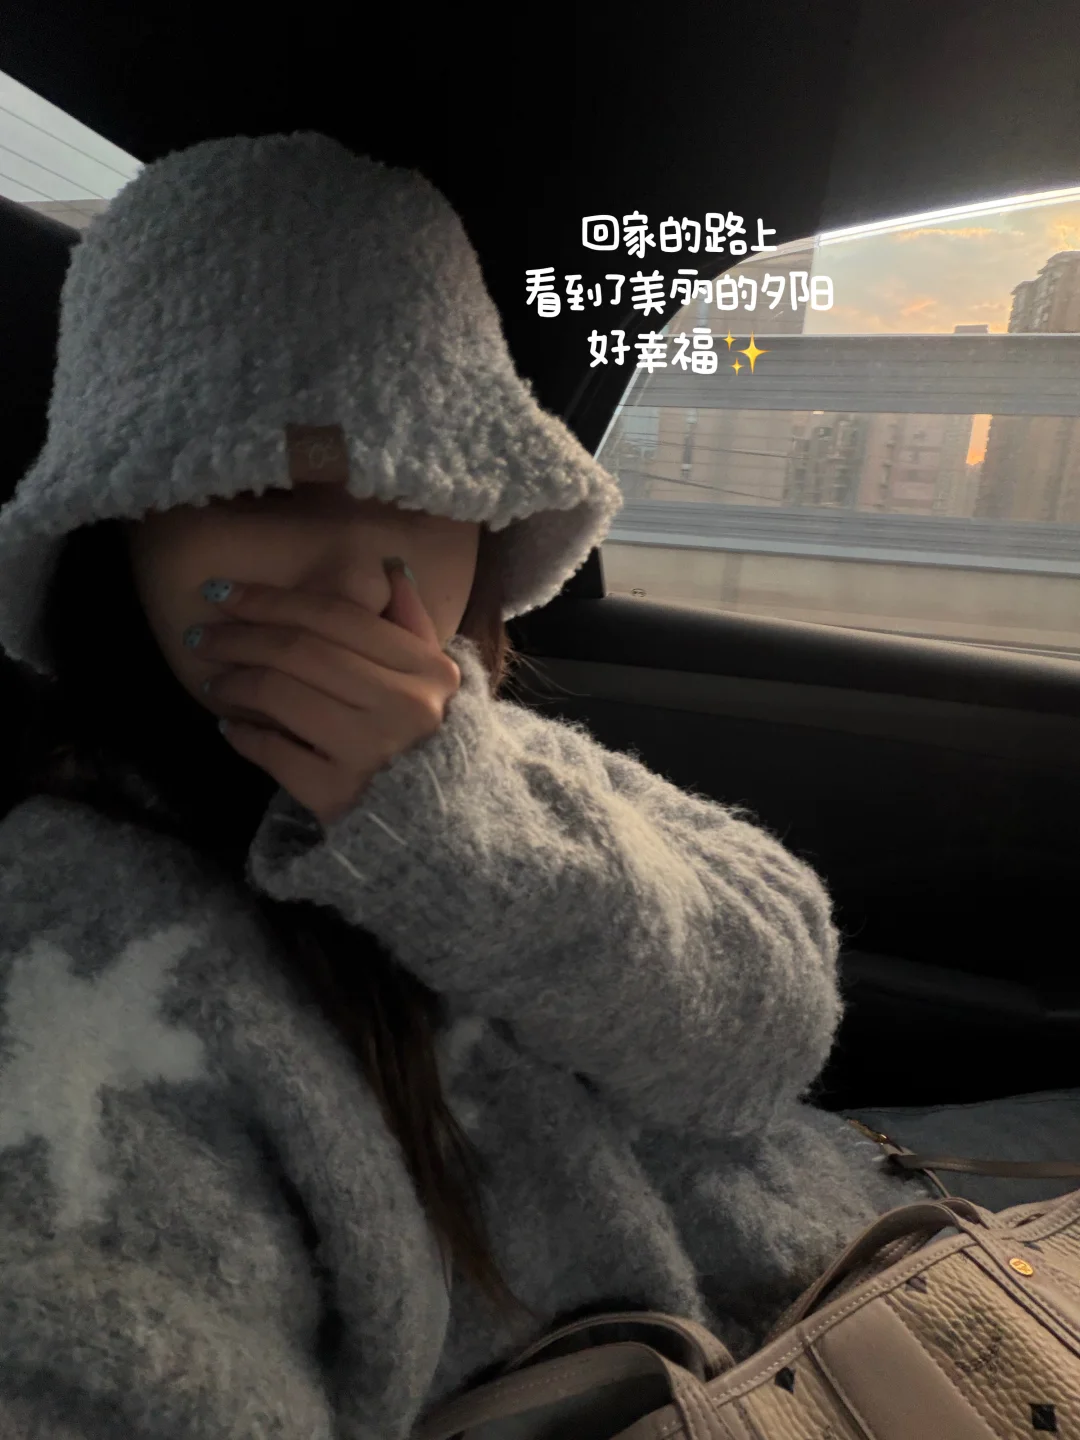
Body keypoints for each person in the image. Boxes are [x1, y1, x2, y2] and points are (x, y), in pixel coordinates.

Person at [0, 131, 1077, 1439]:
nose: (357, 574)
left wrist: (458, 835)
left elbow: (775, 1030)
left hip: (894, 1292)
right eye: (260, 491)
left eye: (423, 493)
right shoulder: (73, 930)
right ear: (120, 535)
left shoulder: (514, 762)